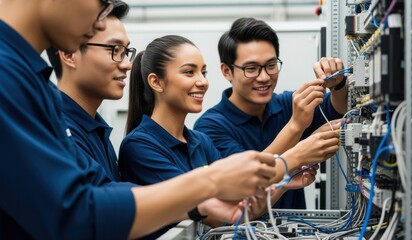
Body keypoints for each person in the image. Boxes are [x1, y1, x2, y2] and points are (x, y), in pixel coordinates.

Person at [0, 1, 278, 239]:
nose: (98, 18)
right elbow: (75, 213)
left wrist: (196, 204)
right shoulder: (9, 77)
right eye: (113, 50)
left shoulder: (36, 86)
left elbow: (100, 191)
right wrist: (209, 183)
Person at [118, 34, 340, 237]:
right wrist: (295, 156)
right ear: (156, 82)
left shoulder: (199, 141)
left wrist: (286, 180)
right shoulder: (140, 147)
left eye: (203, 72)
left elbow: (240, 208)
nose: (203, 81)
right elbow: (215, 214)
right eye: (189, 72)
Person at [194, 17, 347, 210]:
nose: (264, 77)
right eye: (251, 68)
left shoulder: (287, 104)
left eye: (271, 65)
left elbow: (339, 109)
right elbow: (247, 178)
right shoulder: (210, 127)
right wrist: (296, 126)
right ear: (227, 71)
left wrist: (338, 84)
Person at [46, 0, 133, 182]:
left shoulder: (94, 128)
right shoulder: (56, 128)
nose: (127, 64)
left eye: (126, 52)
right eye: (115, 50)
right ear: (69, 54)